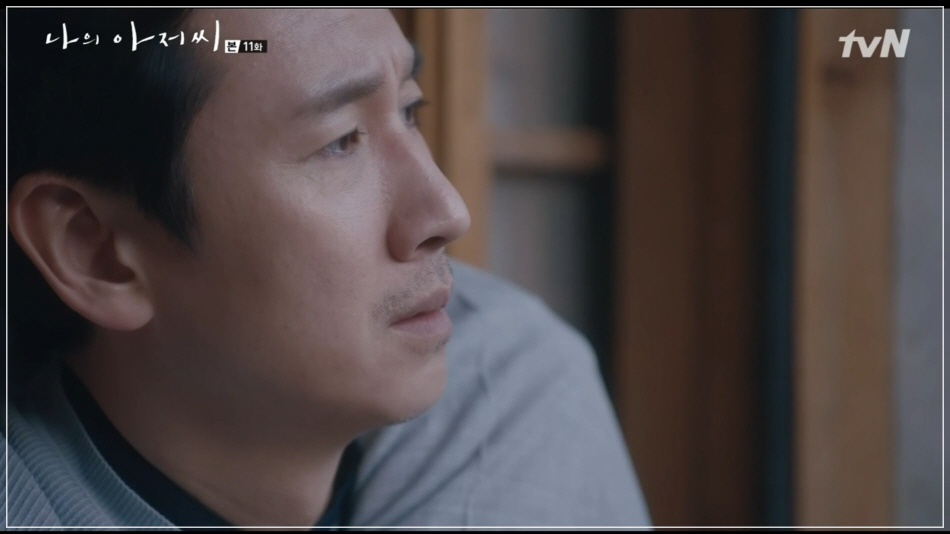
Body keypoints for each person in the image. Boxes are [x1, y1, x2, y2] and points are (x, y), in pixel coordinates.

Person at [4, 8, 651, 528]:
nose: (447, 212)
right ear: (95, 251)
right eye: (339, 142)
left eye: (409, 110)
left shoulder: (508, 379)